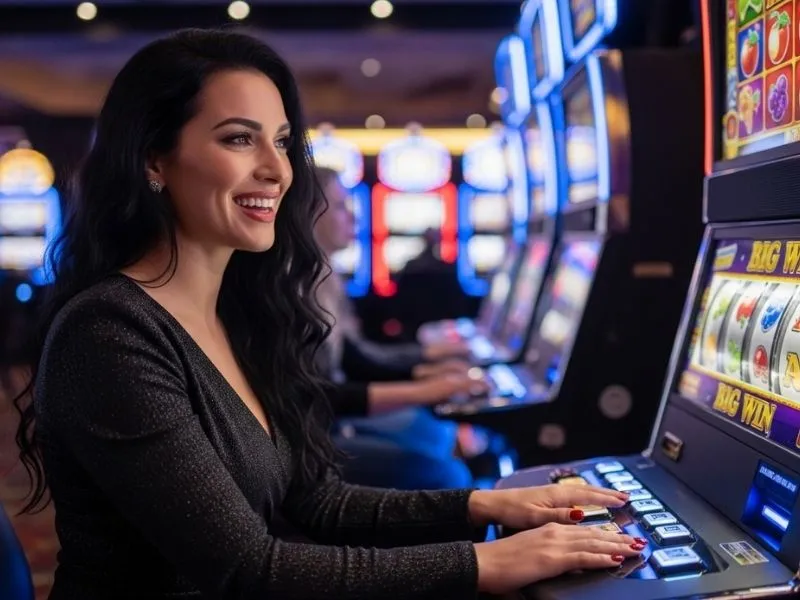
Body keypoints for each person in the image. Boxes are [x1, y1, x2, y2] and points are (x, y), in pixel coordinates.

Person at [13, 29, 646, 599]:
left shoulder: (237, 314)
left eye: (283, 142)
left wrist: (493, 505)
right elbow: (247, 572)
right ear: (154, 159)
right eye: (239, 138)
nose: (276, 169)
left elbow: (316, 500)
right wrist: (488, 565)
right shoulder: (109, 335)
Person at [313, 165, 482, 489]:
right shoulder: (295, 285)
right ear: (305, 214)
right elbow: (320, 394)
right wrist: (426, 387)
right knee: (450, 474)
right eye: (340, 207)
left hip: (328, 423)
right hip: (315, 436)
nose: (354, 217)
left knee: (438, 433)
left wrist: (426, 367)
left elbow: (353, 358)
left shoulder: (322, 276)